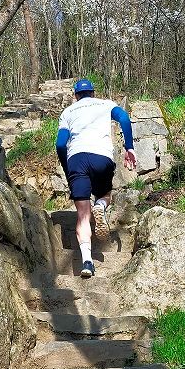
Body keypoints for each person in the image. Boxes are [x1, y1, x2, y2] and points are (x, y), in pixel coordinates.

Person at [55, 78, 136, 278]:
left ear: (75, 95)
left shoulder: (68, 112)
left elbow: (60, 144)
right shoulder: (106, 104)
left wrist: (68, 170)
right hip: (102, 157)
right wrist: (129, 148)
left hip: (77, 159)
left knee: (82, 215)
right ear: (93, 92)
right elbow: (124, 118)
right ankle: (100, 206)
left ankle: (87, 262)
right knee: (105, 194)